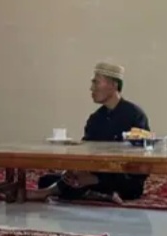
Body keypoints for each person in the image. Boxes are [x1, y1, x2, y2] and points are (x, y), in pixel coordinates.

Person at [30, 62, 150, 204]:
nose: (91, 88)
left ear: (113, 85)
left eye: (96, 82)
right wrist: (75, 170)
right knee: (49, 179)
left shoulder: (135, 115)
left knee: (112, 183)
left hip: (123, 177)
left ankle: (50, 192)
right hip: (98, 171)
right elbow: (87, 151)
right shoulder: (96, 118)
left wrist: (95, 179)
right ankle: (101, 194)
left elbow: (141, 159)